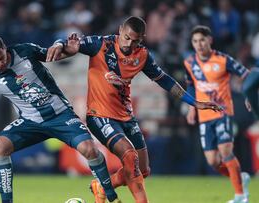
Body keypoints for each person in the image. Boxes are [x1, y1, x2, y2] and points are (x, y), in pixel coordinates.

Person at [47, 16, 222, 203]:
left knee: (143, 170)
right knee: (130, 156)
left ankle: (102, 186)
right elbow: (69, 43)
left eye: (136, 40)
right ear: (121, 30)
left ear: (142, 39)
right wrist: (58, 44)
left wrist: (194, 102)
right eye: (127, 38)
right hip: (100, 115)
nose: (129, 44)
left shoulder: (143, 55)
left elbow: (165, 80)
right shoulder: (101, 44)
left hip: (126, 117)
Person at [0, 34, 121, 203]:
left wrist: (67, 48)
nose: (0, 64)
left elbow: (54, 54)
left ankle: (111, 197)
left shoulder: (24, 51)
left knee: (89, 149)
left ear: (5, 48)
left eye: (2, 57)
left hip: (61, 116)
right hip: (30, 122)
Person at [183, 25, 251, 203]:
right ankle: (239, 179)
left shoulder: (223, 60)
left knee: (225, 152)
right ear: (192, 43)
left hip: (223, 113)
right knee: (213, 161)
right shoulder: (189, 62)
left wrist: (249, 96)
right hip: (205, 117)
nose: (199, 44)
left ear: (210, 40)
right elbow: (191, 84)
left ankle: (240, 196)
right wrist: (191, 108)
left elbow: (247, 75)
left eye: (202, 40)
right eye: (195, 41)